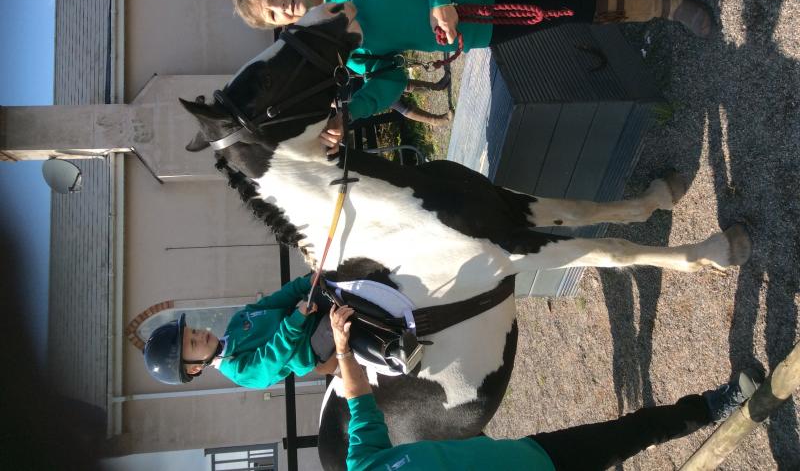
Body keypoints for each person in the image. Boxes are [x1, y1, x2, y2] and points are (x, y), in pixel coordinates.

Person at [230, 0, 742, 151]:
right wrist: (349, 110)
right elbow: (387, 82)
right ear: (286, 25)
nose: (284, 6)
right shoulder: (341, 51)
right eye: (276, 15)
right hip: (474, 29)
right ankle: (667, 6)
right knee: (572, 10)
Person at [328, 305, 759, 471]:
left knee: (634, 431)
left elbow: (361, 403)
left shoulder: (365, 463)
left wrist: (345, 351)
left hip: (538, 453)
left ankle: (712, 406)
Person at [143, 275, 338, 387]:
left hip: (308, 313)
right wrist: (297, 319)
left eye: (193, 331)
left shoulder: (237, 321)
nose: (200, 335)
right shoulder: (240, 372)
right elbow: (273, 355)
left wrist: (305, 283)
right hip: (311, 344)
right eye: (194, 344)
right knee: (345, 319)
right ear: (195, 368)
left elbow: (277, 300)